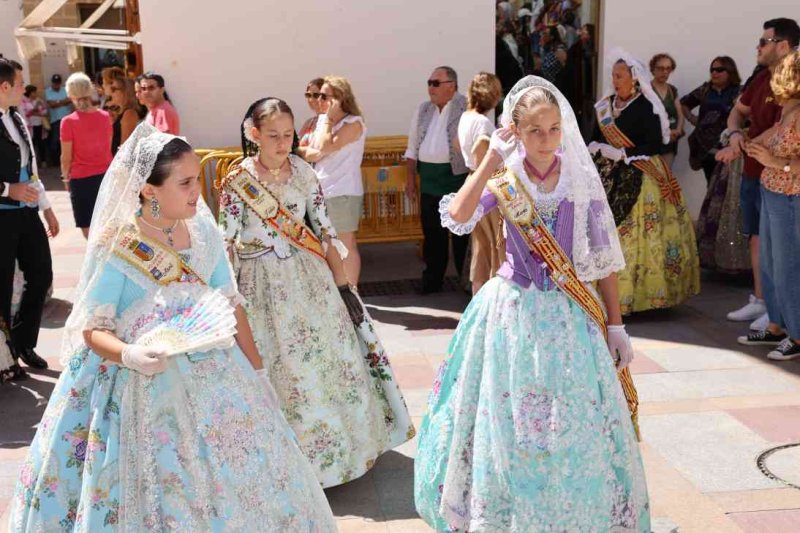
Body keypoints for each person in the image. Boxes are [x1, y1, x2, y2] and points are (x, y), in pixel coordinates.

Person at [8, 122, 338, 532]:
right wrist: (128, 353)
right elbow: (93, 328)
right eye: (184, 183)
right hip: (137, 386)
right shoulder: (121, 243)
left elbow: (230, 306)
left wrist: (257, 371)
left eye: (196, 179)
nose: (196, 191)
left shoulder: (203, 232)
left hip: (220, 380)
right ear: (149, 189)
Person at [415, 76, 649, 532]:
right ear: (516, 131)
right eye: (536, 131)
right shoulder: (505, 175)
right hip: (511, 311)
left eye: (554, 129)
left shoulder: (581, 177)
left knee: (571, 421)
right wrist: (490, 162)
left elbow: (603, 259)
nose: (546, 140)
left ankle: (572, 511)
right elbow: (459, 217)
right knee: (509, 421)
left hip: (569, 315)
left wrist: (616, 326)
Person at [219, 98, 414, 488]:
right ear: (253, 134)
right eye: (272, 135)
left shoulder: (305, 173)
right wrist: (225, 297)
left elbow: (324, 231)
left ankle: (336, 457)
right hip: (259, 283)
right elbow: (226, 239)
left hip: (309, 279)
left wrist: (345, 289)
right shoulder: (236, 181)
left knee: (323, 362)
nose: (281, 142)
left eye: (288, 135)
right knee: (276, 365)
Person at [590, 49, 700, 314]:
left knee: (641, 232)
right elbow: (595, 134)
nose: (615, 80)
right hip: (606, 173)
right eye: (613, 76)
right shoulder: (606, 105)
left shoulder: (646, 106)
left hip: (640, 173)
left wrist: (623, 153)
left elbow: (655, 143)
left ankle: (644, 297)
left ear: (634, 79)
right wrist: (596, 146)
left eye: (619, 76)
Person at [717, 18, 799, 333]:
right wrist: (736, 136)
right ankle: (767, 306)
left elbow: (782, 130)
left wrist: (767, 156)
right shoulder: (761, 79)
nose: (758, 47)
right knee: (762, 245)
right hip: (760, 177)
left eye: (764, 42)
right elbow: (740, 113)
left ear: (783, 45)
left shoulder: (795, 91)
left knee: (786, 258)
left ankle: (788, 322)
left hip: (788, 187)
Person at [0, 58, 57, 380]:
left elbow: (31, 169)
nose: (25, 89)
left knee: (41, 275)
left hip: (27, 214)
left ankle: (23, 343)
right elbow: (16, 183)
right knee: (1, 287)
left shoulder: (18, 118)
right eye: (21, 84)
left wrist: (47, 207)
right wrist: (9, 189)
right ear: (5, 87)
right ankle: (4, 357)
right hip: (1, 219)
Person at [741, 51, 800, 360]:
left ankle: (797, 334)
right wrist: (747, 143)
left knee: (787, 266)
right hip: (773, 192)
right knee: (770, 263)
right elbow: (767, 138)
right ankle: (777, 325)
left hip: (791, 196)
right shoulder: (787, 111)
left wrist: (775, 161)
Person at [405, 66, 470, 293]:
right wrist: (410, 178)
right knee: (432, 234)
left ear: (451, 86)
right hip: (430, 180)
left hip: (456, 179)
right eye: (429, 82)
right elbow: (412, 146)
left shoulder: (466, 106)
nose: (430, 88)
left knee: (462, 233)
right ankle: (432, 280)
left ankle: (466, 281)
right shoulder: (423, 109)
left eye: (435, 83)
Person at [302, 76, 366, 285]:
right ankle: (340, 290)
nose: (318, 99)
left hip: (343, 192)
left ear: (339, 98)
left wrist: (327, 120)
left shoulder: (353, 123)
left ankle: (352, 293)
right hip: (323, 190)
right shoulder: (324, 121)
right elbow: (314, 150)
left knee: (345, 243)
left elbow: (322, 149)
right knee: (328, 244)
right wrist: (326, 122)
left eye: (324, 95)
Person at [457, 72, 506, 294]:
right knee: (497, 246)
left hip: (471, 182)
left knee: (481, 246)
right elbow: (481, 153)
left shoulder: (465, 117)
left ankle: (477, 299)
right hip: (486, 186)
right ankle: (493, 301)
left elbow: (458, 146)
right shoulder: (483, 123)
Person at [60, 72, 113, 239]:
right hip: (106, 177)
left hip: (81, 180)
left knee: (88, 229)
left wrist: (66, 179)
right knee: (107, 225)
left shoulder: (68, 122)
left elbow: (66, 157)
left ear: (70, 94)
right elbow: (107, 149)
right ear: (90, 90)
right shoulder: (105, 117)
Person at [682, 57, 742, 181]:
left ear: (730, 71)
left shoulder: (739, 91)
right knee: (711, 184)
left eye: (719, 70)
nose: (714, 73)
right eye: (712, 70)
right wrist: (692, 119)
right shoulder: (705, 90)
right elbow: (684, 104)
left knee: (728, 185)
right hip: (705, 148)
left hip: (729, 146)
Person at [650, 53, 685, 168]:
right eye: (660, 68)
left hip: (670, 141)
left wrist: (678, 130)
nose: (665, 72)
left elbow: (680, 114)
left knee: (666, 176)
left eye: (668, 69)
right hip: (652, 141)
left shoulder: (672, 90)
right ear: (653, 69)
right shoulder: (646, 89)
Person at [103, 67, 144, 153]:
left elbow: (125, 146)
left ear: (125, 92)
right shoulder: (121, 112)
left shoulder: (129, 113)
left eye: (114, 89)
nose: (111, 92)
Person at [45, 73, 72, 166]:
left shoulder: (65, 90)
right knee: (55, 141)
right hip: (55, 120)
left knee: (67, 140)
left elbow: (69, 100)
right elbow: (51, 105)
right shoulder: (48, 91)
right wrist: (63, 102)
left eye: (58, 83)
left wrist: (57, 103)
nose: (56, 85)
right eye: (54, 83)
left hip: (67, 119)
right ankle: (56, 162)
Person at [21, 84, 48, 165]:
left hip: (39, 124)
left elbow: (44, 112)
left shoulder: (39, 100)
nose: (35, 94)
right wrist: (36, 110)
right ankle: (32, 162)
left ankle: (43, 161)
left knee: (41, 144)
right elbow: (26, 113)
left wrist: (36, 112)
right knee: (31, 144)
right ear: (30, 92)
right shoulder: (24, 101)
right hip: (30, 126)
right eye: (34, 92)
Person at [296, 77, 324, 150]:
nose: (311, 100)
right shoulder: (309, 123)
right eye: (308, 95)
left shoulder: (332, 122)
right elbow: (295, 146)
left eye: (316, 95)